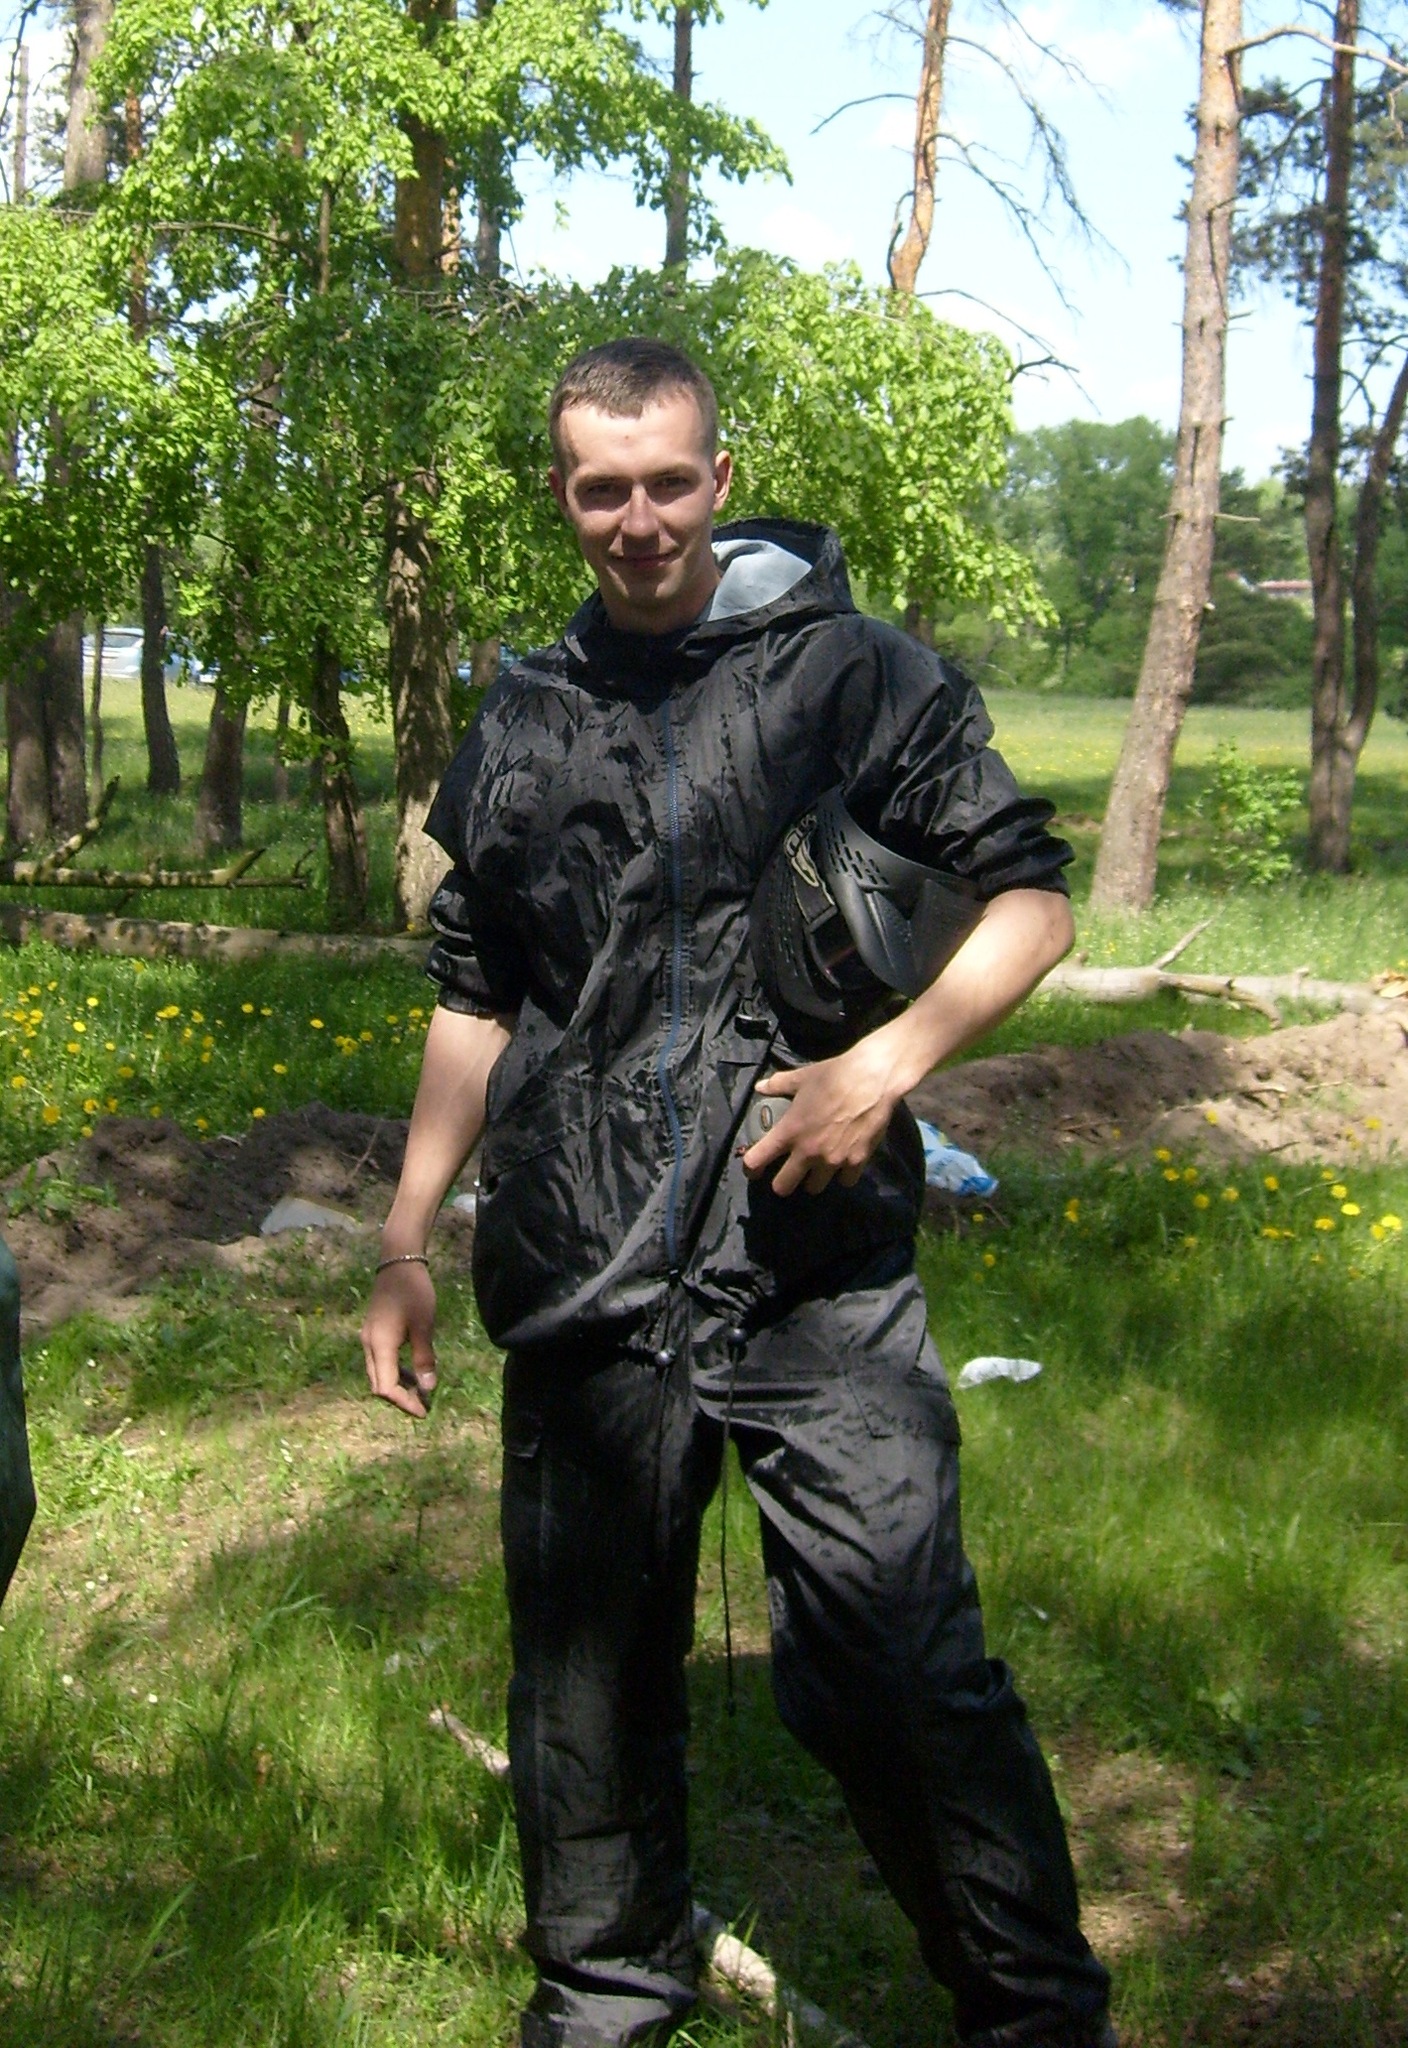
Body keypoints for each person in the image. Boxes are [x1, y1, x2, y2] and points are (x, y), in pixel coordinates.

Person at [361, 338, 1116, 2048]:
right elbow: (475, 995)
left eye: (666, 484)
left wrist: (887, 1064)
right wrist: (404, 1237)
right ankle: (606, 1998)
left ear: (719, 477)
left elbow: (1033, 901)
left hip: (809, 1260)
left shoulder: (854, 676)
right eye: (600, 490)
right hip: (582, 1256)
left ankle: (1035, 2014)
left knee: (899, 1656)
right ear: (563, 496)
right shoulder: (523, 717)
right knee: (586, 1684)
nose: (637, 521)